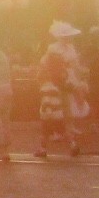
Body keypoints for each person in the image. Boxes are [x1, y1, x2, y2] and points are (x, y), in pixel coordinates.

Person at [38, 21, 84, 157]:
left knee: (53, 116)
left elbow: (43, 67)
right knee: (60, 115)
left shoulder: (63, 49)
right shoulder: (59, 49)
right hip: (61, 84)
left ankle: (45, 147)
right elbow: (47, 66)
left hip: (59, 84)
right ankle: (71, 144)